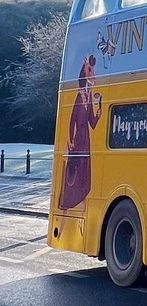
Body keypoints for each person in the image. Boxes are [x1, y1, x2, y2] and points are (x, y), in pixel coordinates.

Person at [58, 54, 101, 212]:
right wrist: (71, 140)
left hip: (86, 140)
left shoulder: (89, 97)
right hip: (78, 139)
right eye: (90, 71)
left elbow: (92, 122)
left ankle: (82, 207)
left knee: (84, 172)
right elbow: (71, 122)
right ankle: (68, 207)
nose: (93, 75)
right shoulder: (79, 96)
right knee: (74, 172)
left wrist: (98, 114)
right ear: (84, 74)